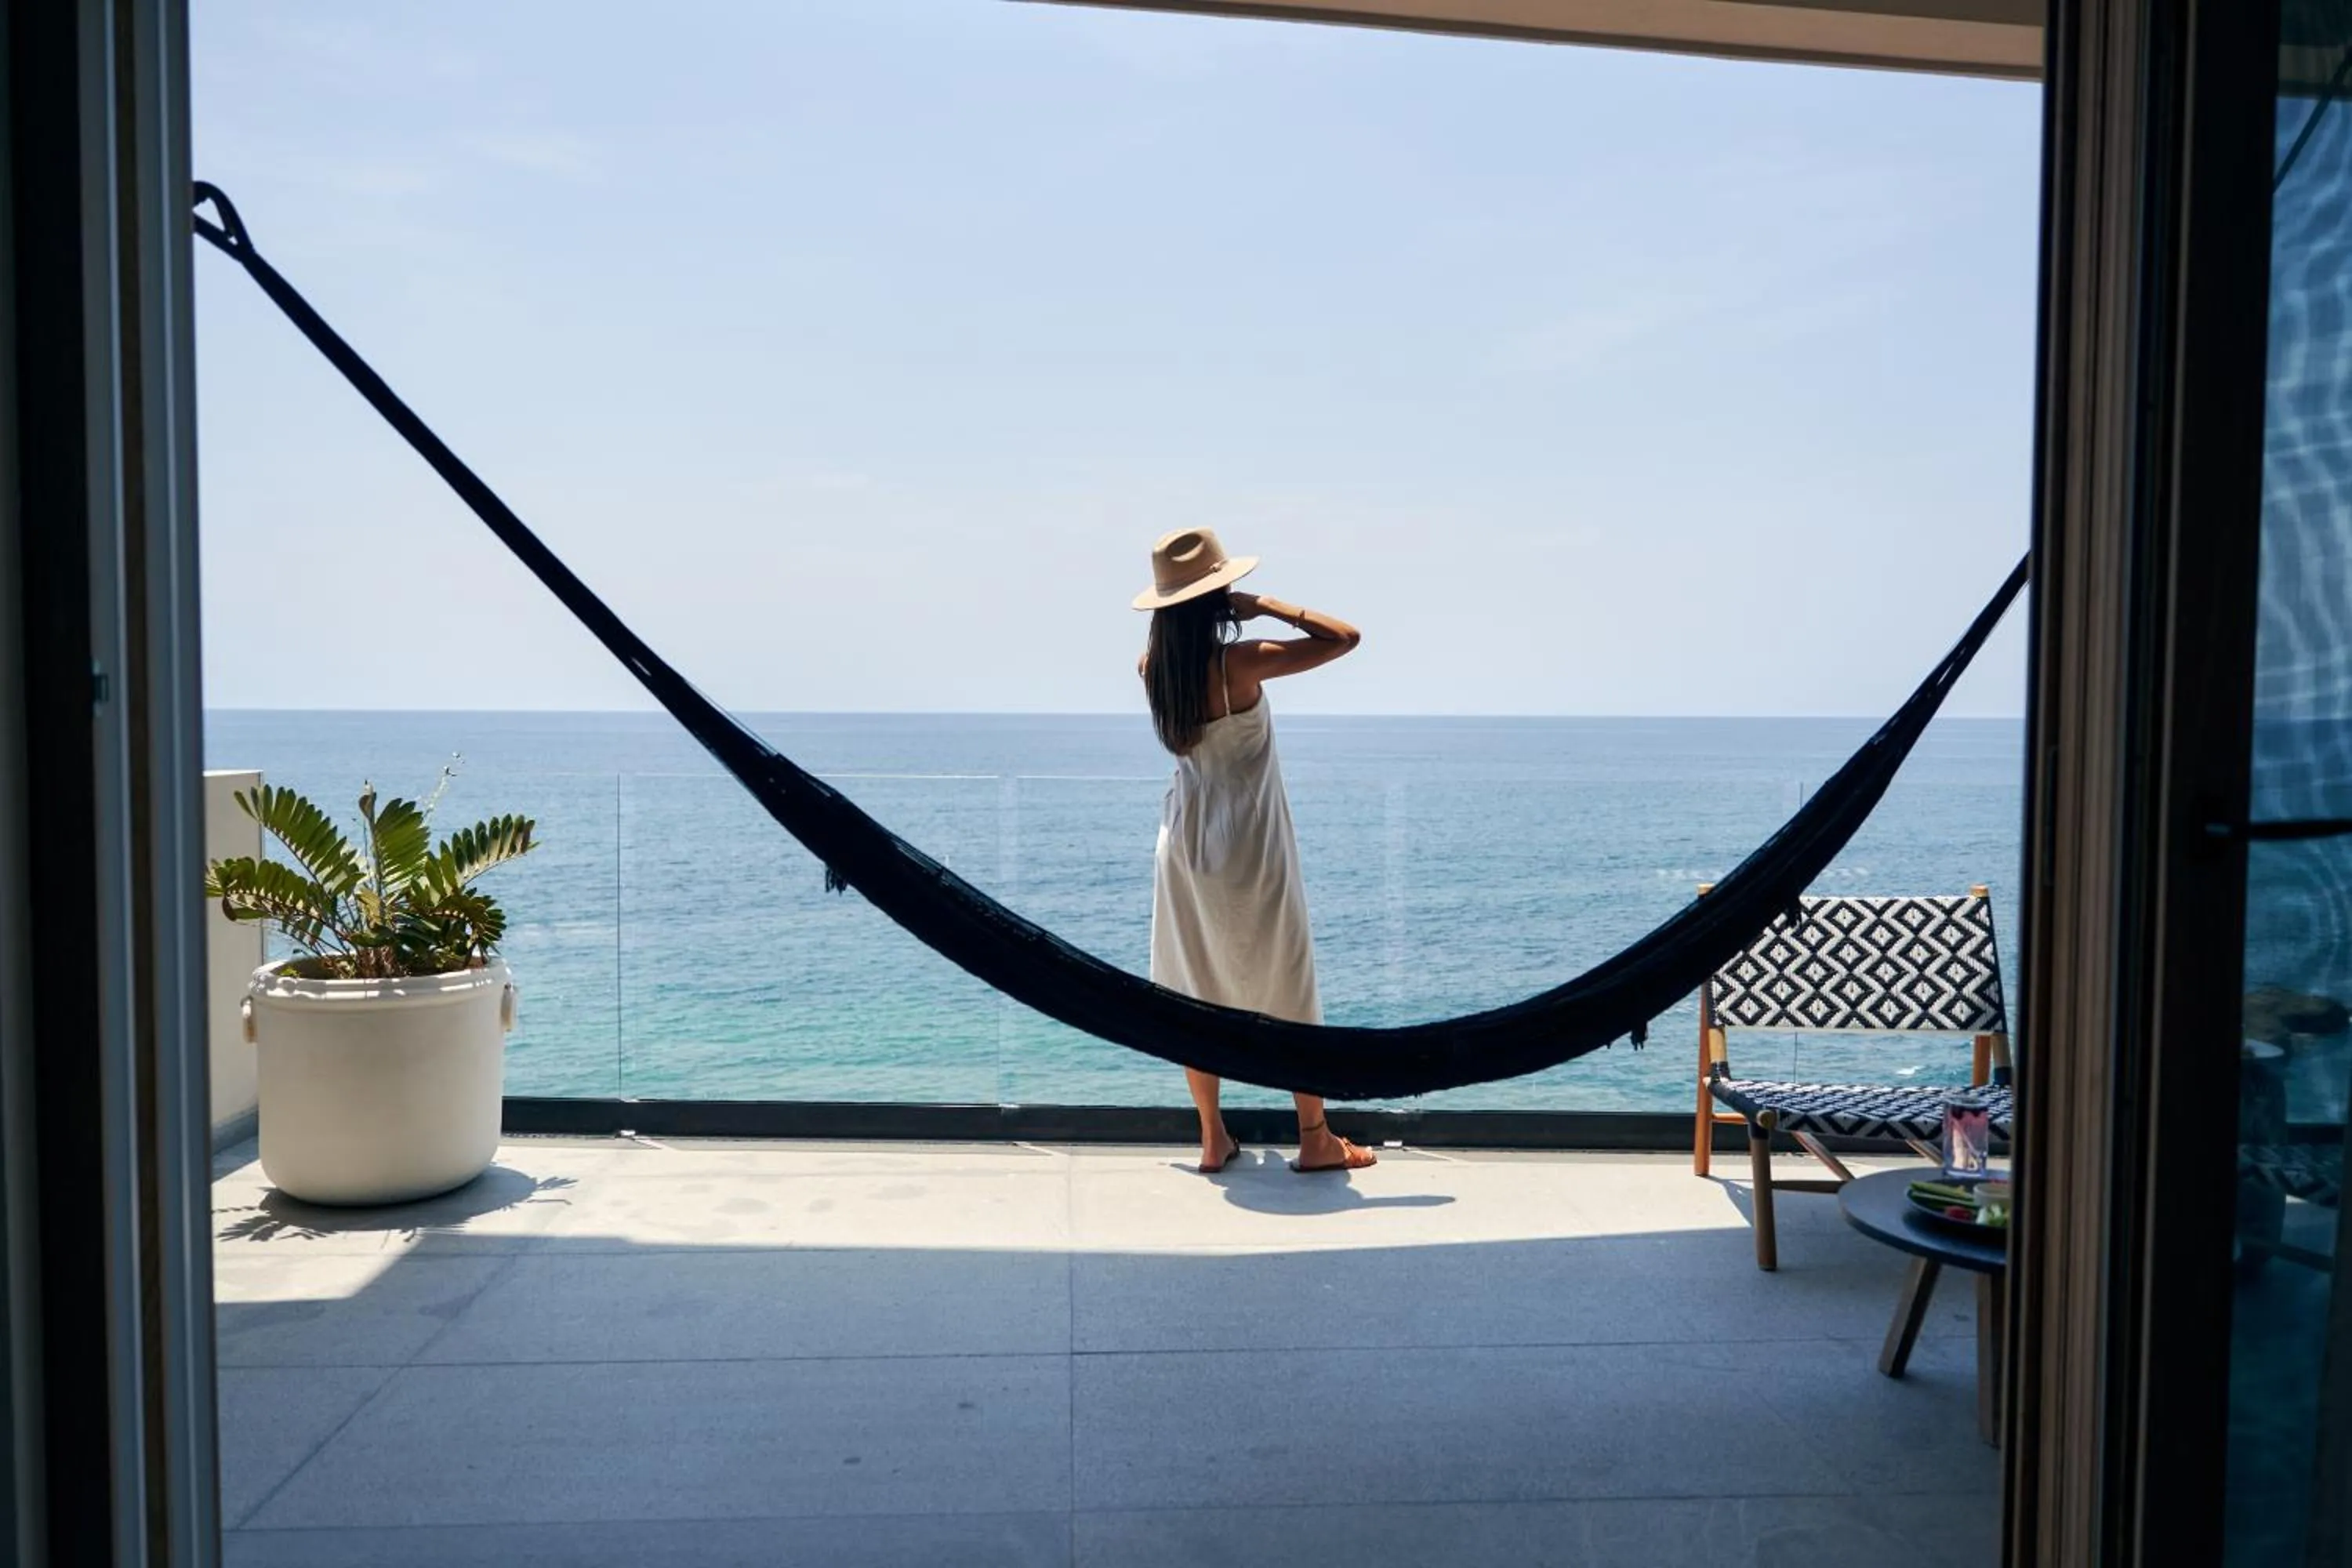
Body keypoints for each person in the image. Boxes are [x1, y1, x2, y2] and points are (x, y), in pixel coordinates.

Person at [1134, 528, 1376, 1176]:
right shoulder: (1238, 663)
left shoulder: (1153, 668)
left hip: (1183, 839)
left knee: (1194, 985)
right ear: (1218, 596)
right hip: (1249, 840)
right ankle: (1316, 1137)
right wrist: (1266, 605)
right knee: (1287, 978)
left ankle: (1214, 1136)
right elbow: (1344, 638)